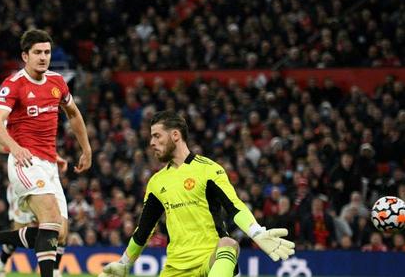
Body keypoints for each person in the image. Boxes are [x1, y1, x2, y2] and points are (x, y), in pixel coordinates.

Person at [100, 110, 295, 277]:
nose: (151, 142)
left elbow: (234, 207)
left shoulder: (208, 169)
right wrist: (124, 262)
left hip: (209, 262)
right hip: (175, 267)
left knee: (228, 244)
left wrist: (257, 232)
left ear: (175, 135)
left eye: (157, 136)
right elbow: (144, 229)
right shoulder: (156, 182)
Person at [0, 28, 92, 277]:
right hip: (25, 163)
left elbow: (74, 114)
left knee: (60, 233)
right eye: (37, 53)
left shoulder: (57, 82)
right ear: (25, 56)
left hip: (48, 164)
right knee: (51, 220)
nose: (43, 57)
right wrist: (15, 147)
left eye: (47, 52)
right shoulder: (14, 84)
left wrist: (86, 149)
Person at [0, 140, 68, 277]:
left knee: (60, 232)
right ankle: (1, 261)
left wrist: (55, 156)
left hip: (47, 177)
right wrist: (15, 148)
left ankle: (55, 269)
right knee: (18, 231)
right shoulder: (11, 120)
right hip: (25, 179)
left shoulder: (46, 120)